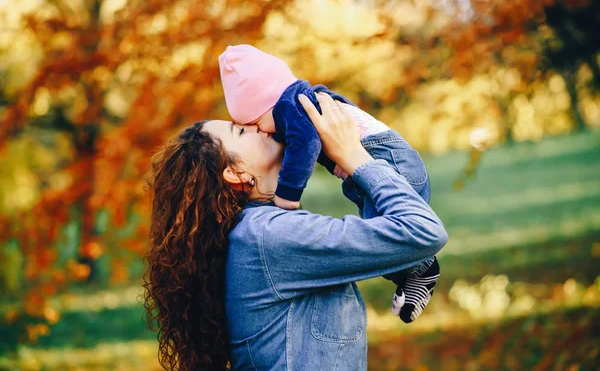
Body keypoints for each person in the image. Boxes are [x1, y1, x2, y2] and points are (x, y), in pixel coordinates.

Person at [142, 91, 448, 370]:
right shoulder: (268, 237)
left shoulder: (256, 232)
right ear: (236, 173)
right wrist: (354, 157)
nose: (255, 125)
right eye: (240, 130)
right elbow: (422, 231)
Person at [219, 44, 439, 323]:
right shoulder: (300, 98)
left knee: (384, 241)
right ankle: (416, 274)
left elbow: (305, 145)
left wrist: (287, 197)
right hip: (390, 158)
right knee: (381, 239)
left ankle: (423, 269)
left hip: (390, 160)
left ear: (264, 106)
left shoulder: (290, 107)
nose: (260, 132)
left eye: (254, 124)